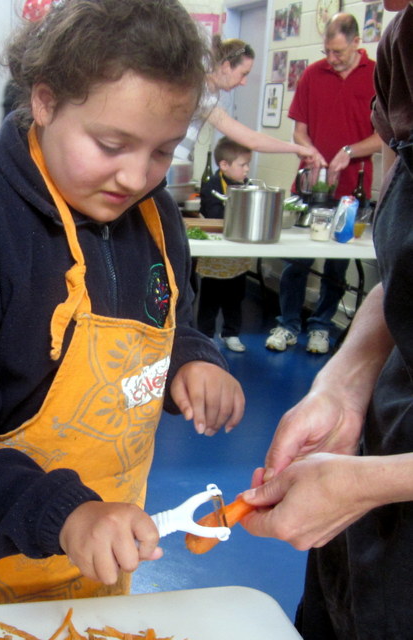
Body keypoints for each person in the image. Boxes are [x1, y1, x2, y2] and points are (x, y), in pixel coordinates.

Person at [0, 0, 245, 610]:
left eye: (163, 152)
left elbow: (169, 320)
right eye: (112, 144)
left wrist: (191, 358)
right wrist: (65, 515)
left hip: (101, 558)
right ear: (44, 101)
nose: (135, 177)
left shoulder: (155, 216)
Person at [240, 1, 413, 637]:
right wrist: (344, 382)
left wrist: (376, 483)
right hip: (375, 468)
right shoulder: (402, 45)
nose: (388, 8)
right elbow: (403, 281)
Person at [265, 13, 382, 355]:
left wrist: (349, 151)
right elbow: (299, 131)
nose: (331, 58)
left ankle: (321, 326)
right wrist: (310, 151)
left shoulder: (377, 75)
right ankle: (288, 324)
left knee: (336, 263)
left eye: (338, 52)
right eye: (327, 51)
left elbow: (383, 137)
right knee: (296, 261)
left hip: (351, 190)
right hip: (309, 185)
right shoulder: (313, 74)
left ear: (357, 43)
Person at [174, 37, 322, 164]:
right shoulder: (203, 93)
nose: (244, 82)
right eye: (243, 74)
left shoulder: (207, 92)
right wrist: (298, 148)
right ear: (226, 66)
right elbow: (252, 140)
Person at [196, 137, 253, 352]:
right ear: (224, 165)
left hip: (237, 255)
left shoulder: (247, 186)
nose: (247, 169)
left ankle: (231, 333)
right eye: (243, 165)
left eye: (248, 165)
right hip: (216, 254)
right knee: (210, 298)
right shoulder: (211, 186)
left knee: (235, 297)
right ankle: (206, 335)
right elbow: (214, 215)